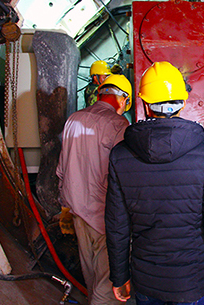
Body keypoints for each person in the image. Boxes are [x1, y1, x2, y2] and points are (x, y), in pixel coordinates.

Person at [105, 61, 204, 305]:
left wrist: (120, 277)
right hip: (193, 280)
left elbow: (117, 226)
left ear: (145, 103)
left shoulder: (120, 155)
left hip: (147, 281)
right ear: (183, 102)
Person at [57, 74, 133, 305]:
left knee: (90, 273)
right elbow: (123, 174)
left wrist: (65, 206)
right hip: (104, 214)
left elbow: (61, 169)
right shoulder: (118, 124)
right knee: (109, 282)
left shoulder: (74, 119)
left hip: (76, 210)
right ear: (123, 99)